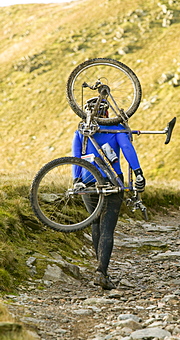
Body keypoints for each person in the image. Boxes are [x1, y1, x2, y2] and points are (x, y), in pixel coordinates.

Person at [72, 97, 145, 290]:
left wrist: (76, 179)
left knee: (95, 224)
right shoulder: (116, 128)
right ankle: (101, 273)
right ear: (106, 113)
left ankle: (100, 270)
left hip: (88, 182)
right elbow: (128, 149)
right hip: (112, 181)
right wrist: (138, 172)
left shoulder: (81, 130)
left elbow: (75, 156)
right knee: (107, 228)